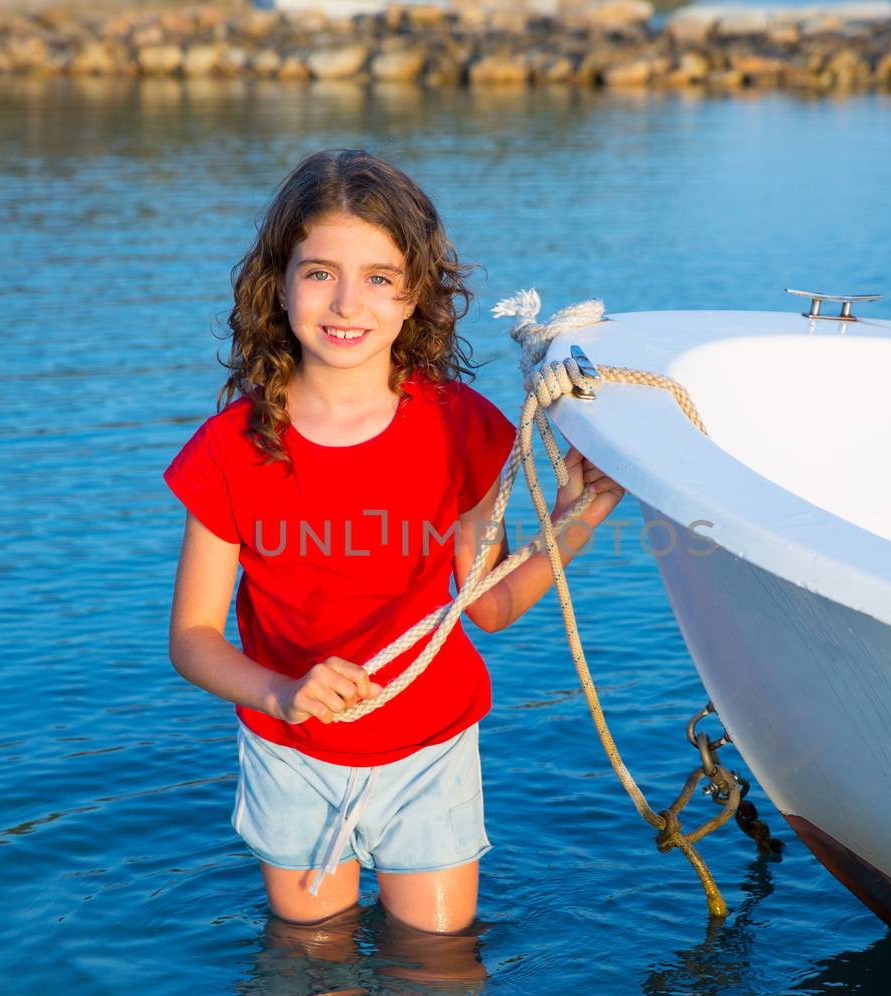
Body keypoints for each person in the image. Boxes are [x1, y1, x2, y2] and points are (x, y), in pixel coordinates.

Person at [163, 148, 623, 936]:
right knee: (311, 973)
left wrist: (578, 514)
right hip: (290, 747)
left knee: (438, 969)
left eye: (379, 276)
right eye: (319, 272)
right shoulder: (230, 448)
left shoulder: (460, 427)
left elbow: (494, 604)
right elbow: (193, 638)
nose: (348, 301)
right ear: (278, 282)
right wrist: (281, 691)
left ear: (416, 297)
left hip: (430, 749)